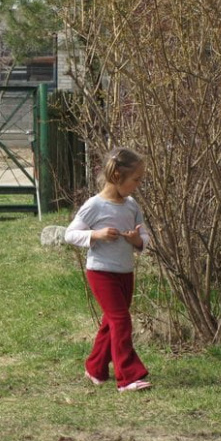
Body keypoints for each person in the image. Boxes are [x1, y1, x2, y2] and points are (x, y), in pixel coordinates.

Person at [64, 147, 151, 392]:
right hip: (101, 272)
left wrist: (136, 240)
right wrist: (96, 234)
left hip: (125, 272)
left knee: (110, 322)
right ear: (116, 178)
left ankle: (94, 368)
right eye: (136, 179)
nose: (138, 184)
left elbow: (144, 235)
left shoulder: (132, 205)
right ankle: (128, 377)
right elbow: (70, 234)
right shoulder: (95, 206)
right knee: (121, 321)